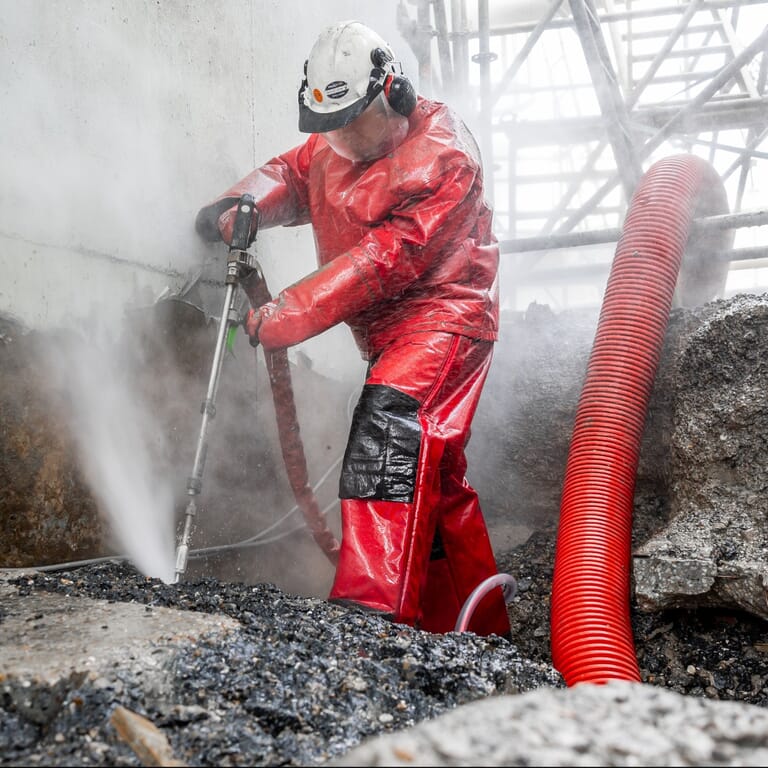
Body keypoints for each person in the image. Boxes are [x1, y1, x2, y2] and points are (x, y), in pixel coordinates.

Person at [195, 20, 511, 638]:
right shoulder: (336, 140)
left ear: (392, 93)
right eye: (328, 125)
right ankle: (477, 637)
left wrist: (292, 311)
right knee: (435, 484)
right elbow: (291, 173)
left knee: (388, 434)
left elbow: (386, 260)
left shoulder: (443, 157)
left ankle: (370, 621)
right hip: (390, 334)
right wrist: (241, 205)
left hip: (445, 320)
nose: (339, 138)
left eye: (351, 122)